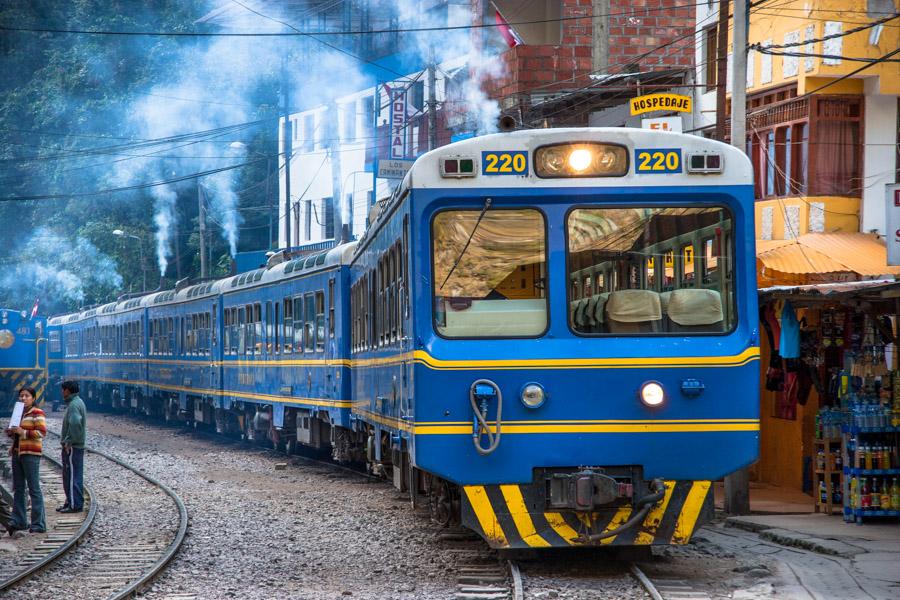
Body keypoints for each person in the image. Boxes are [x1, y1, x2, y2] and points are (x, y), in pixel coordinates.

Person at [5, 386, 47, 535]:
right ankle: (19, 520)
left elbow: (41, 432)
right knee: (19, 488)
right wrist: (11, 433)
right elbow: (16, 434)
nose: (23, 398)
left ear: (33, 398)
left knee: (34, 488)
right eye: (21, 396)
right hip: (18, 453)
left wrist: (23, 432)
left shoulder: (37, 413)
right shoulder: (19, 412)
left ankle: (38, 523)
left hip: (31, 454)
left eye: (26, 396)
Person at [58, 380, 86, 514]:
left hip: (73, 446)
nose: (62, 392)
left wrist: (69, 441)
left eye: (63, 390)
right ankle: (70, 501)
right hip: (76, 445)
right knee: (71, 474)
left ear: (68, 390)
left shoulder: (74, 405)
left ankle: (74, 504)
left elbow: (75, 423)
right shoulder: (77, 402)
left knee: (72, 475)